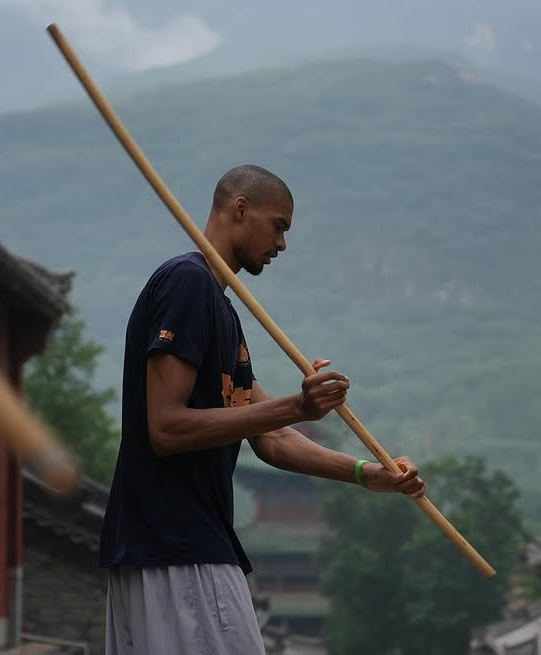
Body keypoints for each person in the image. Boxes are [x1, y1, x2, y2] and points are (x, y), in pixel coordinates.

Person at [99, 164, 426, 654]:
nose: (282, 244)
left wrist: (366, 473)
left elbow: (270, 437)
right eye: (279, 226)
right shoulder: (187, 283)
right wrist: (298, 405)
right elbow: (166, 428)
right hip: (176, 548)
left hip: (180, 548)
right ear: (241, 209)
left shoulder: (222, 312)